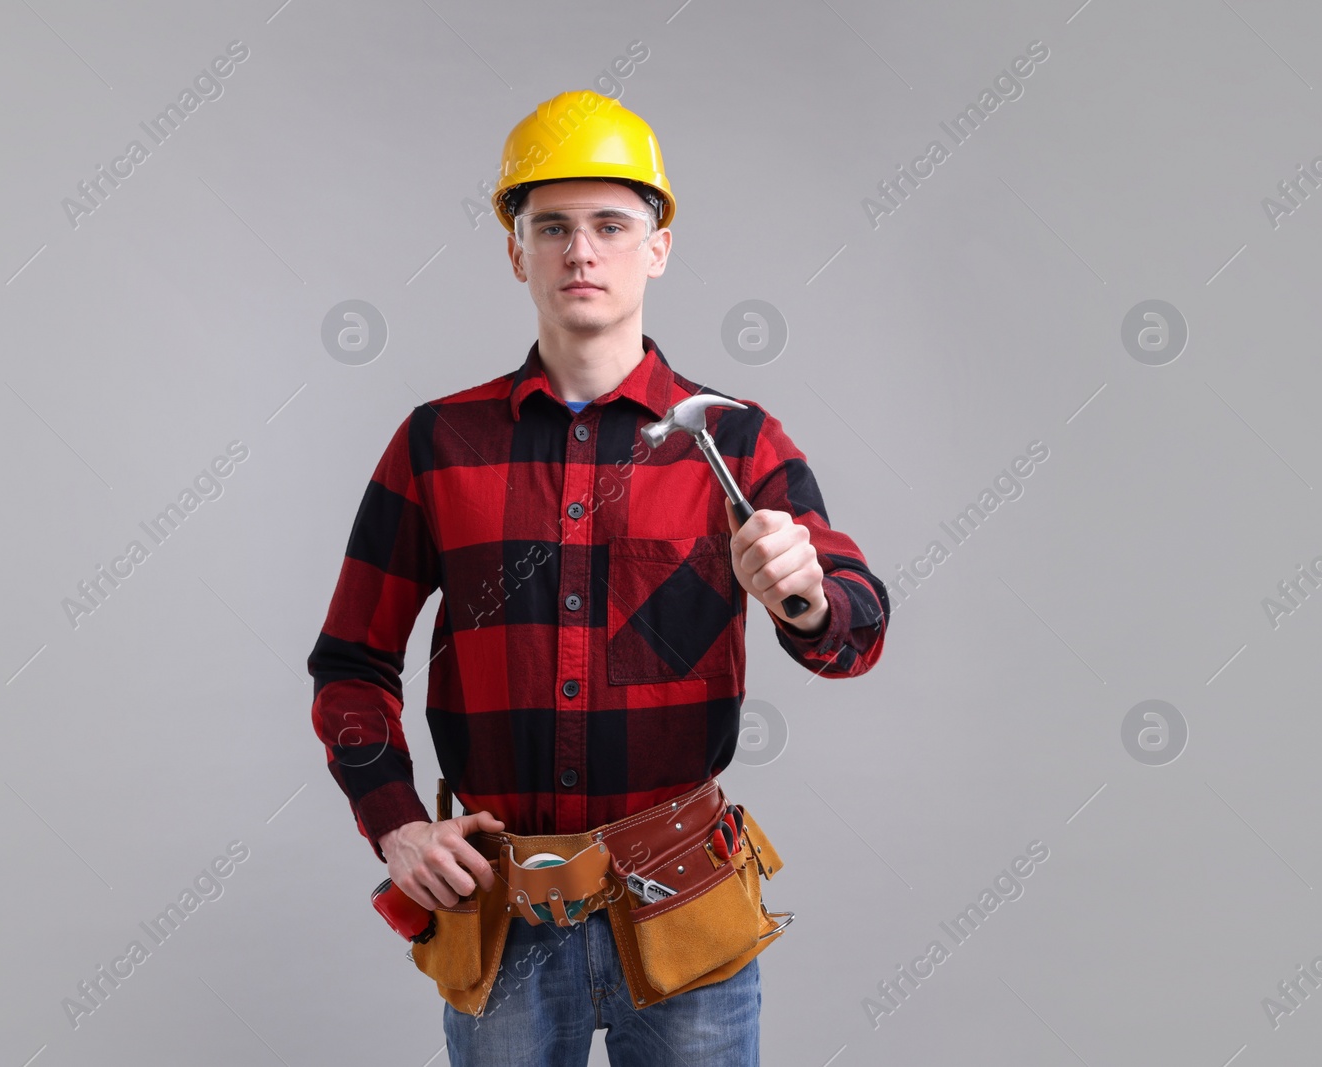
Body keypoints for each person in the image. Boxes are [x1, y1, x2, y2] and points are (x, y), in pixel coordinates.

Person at [308, 89, 890, 1066]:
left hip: (684, 904)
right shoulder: (436, 444)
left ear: (657, 245)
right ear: (515, 251)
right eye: (553, 227)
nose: (583, 251)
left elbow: (855, 634)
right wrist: (397, 825)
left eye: (611, 225)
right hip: (503, 916)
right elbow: (349, 663)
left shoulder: (737, 442)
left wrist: (805, 593)